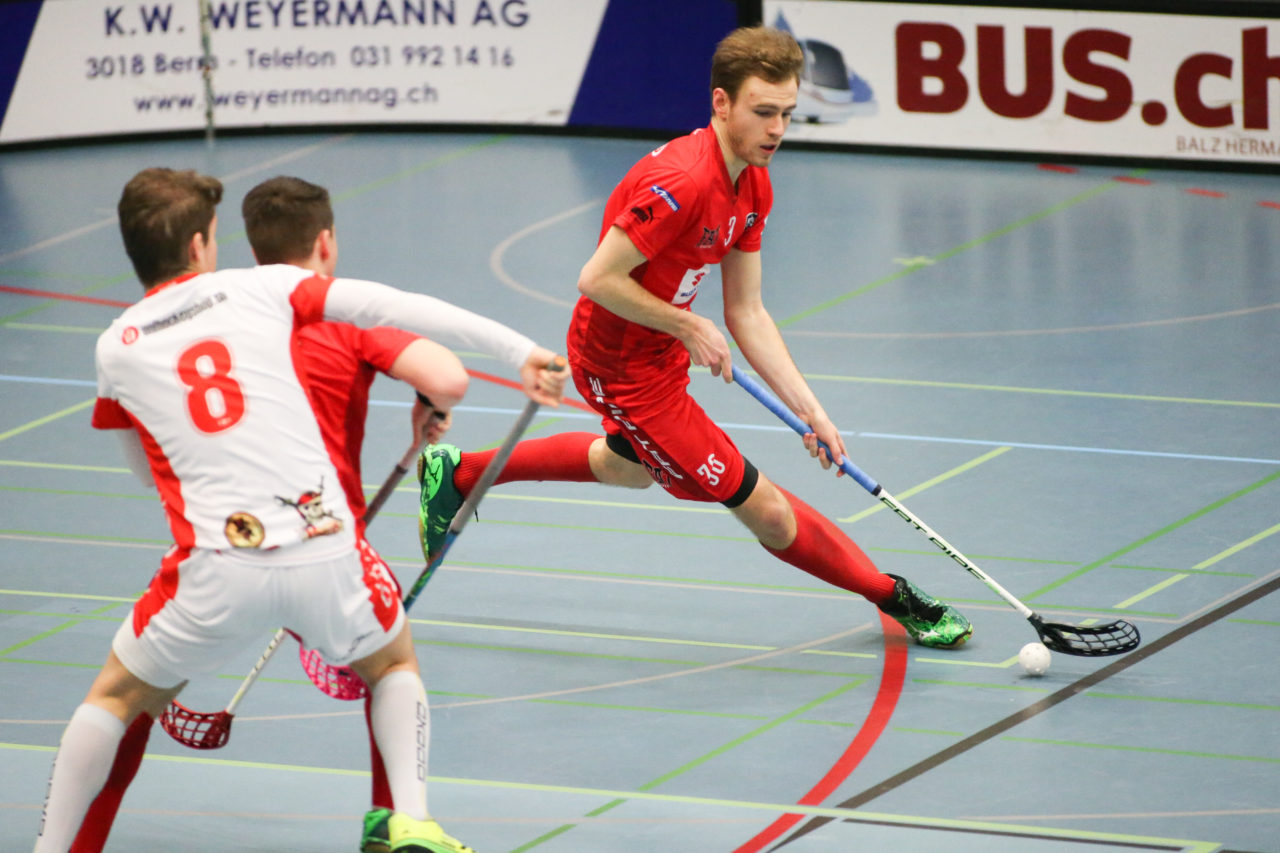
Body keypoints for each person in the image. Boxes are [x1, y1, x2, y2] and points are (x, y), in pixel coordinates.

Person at [36, 167, 563, 853]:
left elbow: (148, 471)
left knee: (114, 697)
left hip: (217, 565)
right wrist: (521, 352)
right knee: (391, 664)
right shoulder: (262, 287)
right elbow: (394, 304)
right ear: (199, 245)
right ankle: (409, 819)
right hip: (326, 547)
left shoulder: (116, 346)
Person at [418, 25, 973, 649]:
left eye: (788, 113)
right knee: (765, 508)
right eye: (764, 112)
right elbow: (596, 278)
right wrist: (687, 324)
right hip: (619, 366)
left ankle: (459, 473)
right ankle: (892, 595)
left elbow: (748, 312)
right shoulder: (682, 181)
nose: (777, 129)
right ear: (721, 103)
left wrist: (811, 412)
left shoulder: (754, 181)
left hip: (658, 354)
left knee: (629, 468)